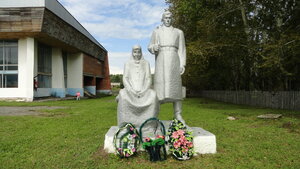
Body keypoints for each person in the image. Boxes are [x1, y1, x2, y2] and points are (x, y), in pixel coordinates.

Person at [148, 10, 186, 125]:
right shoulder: (156, 31)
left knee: (176, 86)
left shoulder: (179, 32)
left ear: (172, 19)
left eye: (169, 18)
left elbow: (182, 49)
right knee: (160, 88)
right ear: (162, 19)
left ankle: (178, 113)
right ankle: (154, 114)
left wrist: (182, 64)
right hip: (161, 59)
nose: (168, 20)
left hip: (174, 59)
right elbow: (150, 46)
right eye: (166, 18)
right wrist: (154, 47)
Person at [117, 45, 159, 127]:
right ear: (132, 53)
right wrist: (130, 89)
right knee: (122, 94)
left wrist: (144, 90)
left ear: (141, 52)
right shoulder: (127, 63)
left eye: (139, 52)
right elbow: (125, 78)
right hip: (130, 90)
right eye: (135, 52)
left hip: (144, 90)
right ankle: (126, 124)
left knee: (153, 95)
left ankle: (149, 124)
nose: (137, 54)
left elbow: (148, 78)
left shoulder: (146, 63)